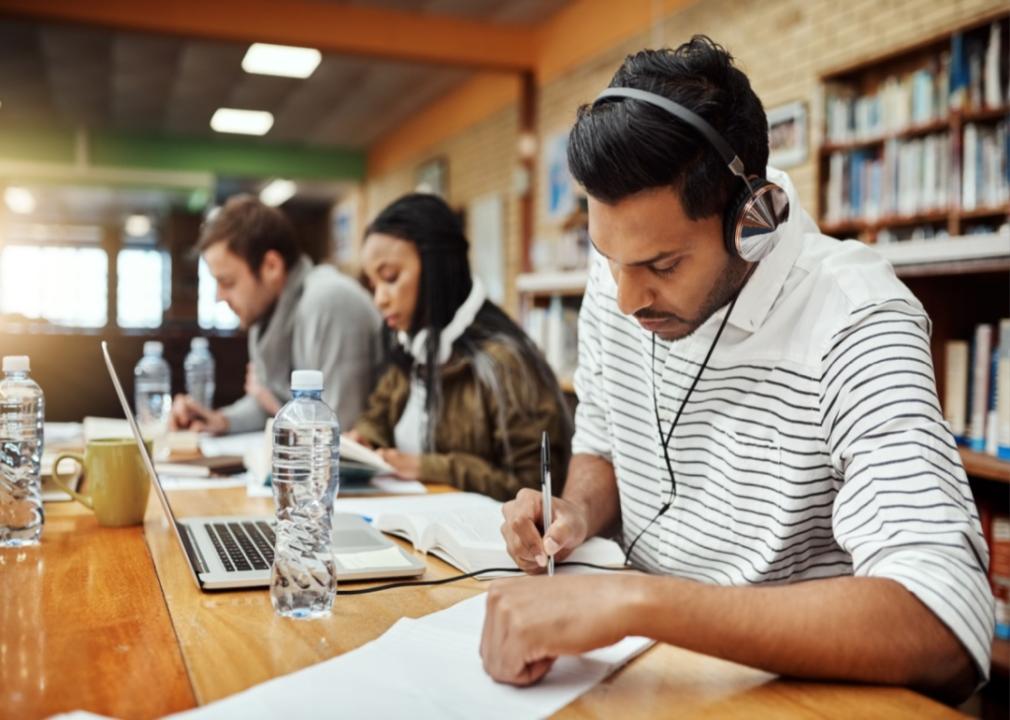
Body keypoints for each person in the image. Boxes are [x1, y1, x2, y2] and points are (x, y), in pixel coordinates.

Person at [482, 37, 993, 703]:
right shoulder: (618, 277)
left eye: (663, 266)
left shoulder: (854, 317)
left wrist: (639, 601)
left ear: (753, 222)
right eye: (610, 259)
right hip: (638, 667)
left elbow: (945, 624)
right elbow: (606, 442)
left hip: (789, 694)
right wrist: (575, 511)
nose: (628, 297)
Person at [348, 193, 571, 502]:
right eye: (373, 285)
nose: (380, 299)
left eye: (390, 277)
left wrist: (429, 467)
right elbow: (378, 417)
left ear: (435, 267)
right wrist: (363, 440)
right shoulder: (413, 348)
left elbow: (536, 489)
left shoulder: (504, 362)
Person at [170, 195, 384, 434]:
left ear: (271, 266)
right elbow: (263, 405)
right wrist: (221, 420)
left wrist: (273, 404)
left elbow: (339, 432)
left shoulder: (330, 302)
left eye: (227, 282)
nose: (219, 297)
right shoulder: (266, 316)